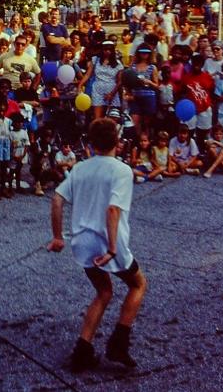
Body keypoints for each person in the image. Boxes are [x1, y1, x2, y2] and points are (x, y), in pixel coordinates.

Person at [48, 117, 147, 371]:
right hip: (108, 243)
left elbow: (57, 199)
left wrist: (58, 236)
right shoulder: (122, 170)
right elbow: (113, 210)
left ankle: (83, 351)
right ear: (117, 141)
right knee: (138, 284)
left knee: (104, 292)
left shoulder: (81, 167)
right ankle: (118, 344)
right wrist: (113, 249)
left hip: (82, 242)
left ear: (91, 142)